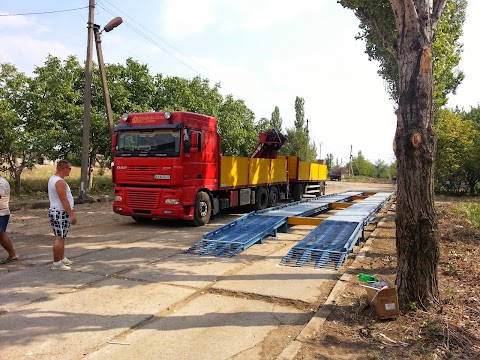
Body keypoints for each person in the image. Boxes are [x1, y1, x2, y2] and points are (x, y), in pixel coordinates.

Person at [48, 160, 77, 270]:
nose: (70, 170)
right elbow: (63, 199)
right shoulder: (59, 182)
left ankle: (62, 258)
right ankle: (56, 264)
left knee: (62, 236)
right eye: (69, 168)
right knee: (59, 238)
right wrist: (72, 215)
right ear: (63, 168)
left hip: (59, 212)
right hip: (59, 212)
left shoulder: (53, 179)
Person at [0, 175, 19, 264]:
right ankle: (12, 255)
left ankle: (12, 255)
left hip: (1, 213)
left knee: (1, 235)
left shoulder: (1, 183)